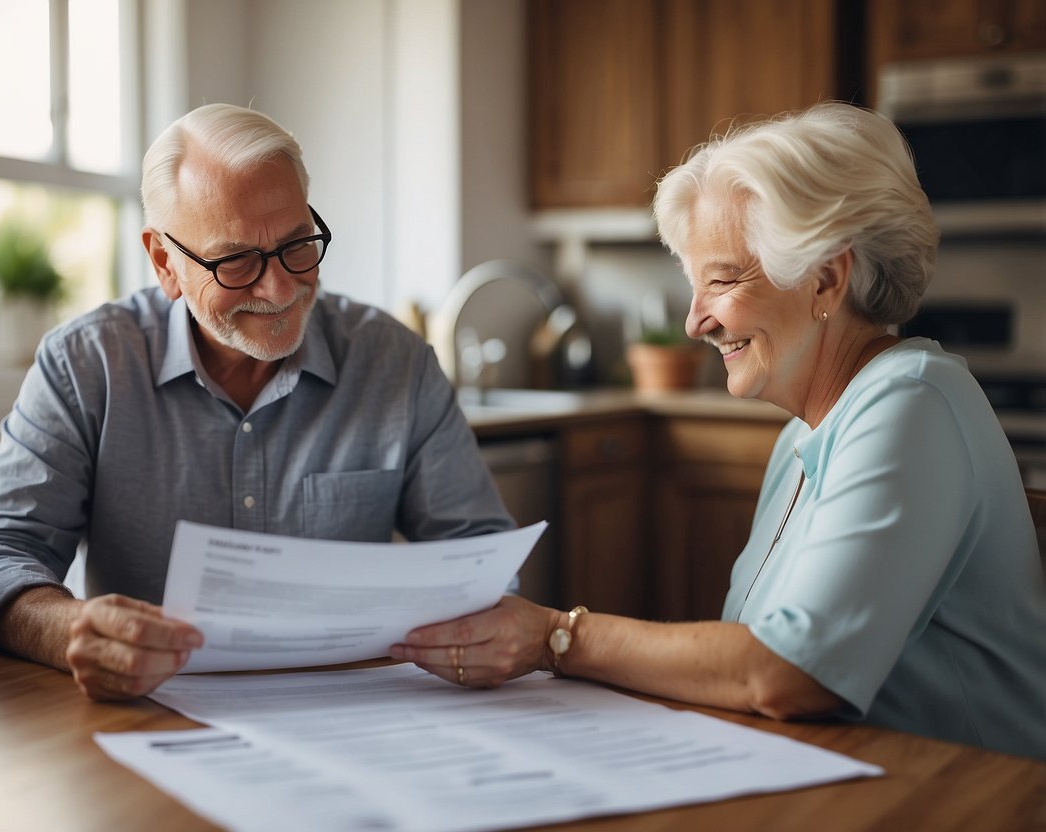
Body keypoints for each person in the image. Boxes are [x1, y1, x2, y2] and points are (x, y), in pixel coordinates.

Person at [391, 101, 1046, 760]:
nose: (694, 322)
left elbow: (787, 673)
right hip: (842, 773)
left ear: (825, 278)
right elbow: (751, 663)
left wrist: (556, 636)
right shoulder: (802, 437)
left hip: (969, 794)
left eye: (722, 280)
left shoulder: (911, 404)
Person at [0, 103, 514, 701]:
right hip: (151, 717)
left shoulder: (396, 364)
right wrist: (69, 630)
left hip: (351, 707)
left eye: (298, 244)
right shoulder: (87, 365)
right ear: (166, 262)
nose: (282, 288)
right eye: (236, 260)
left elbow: (481, 561)